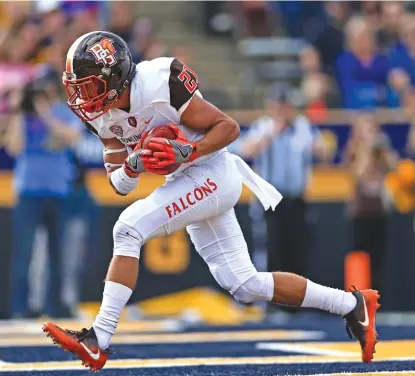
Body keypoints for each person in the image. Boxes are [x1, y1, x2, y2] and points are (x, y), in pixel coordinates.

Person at [43, 31, 380, 371]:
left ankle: (98, 338)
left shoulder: (160, 82)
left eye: (88, 86)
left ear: (114, 77)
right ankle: (351, 304)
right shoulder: (98, 113)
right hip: (185, 180)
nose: (81, 96)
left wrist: (188, 150)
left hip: (212, 171)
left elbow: (228, 127)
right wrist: (134, 165)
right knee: (245, 284)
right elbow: (119, 182)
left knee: (128, 229)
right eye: (77, 87)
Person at [231, 84, 328, 313]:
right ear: (271, 107)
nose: (283, 110)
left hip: (297, 199)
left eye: (286, 105)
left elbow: (324, 151)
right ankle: (272, 304)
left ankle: (296, 303)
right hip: (271, 199)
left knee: (297, 248)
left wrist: (319, 146)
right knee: (273, 249)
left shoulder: (303, 127)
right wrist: (272, 133)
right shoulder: (264, 126)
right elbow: (246, 150)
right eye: (279, 105)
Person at [4, 71, 82, 318]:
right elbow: (14, 147)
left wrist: (46, 114)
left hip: (58, 190)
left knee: (58, 253)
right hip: (28, 191)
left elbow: (71, 138)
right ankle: (21, 308)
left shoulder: (63, 112)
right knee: (24, 252)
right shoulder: (23, 117)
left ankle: (56, 307)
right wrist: (17, 111)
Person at [342, 113, 398, 291]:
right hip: (360, 212)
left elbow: (393, 166)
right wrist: (366, 147)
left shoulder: (381, 150)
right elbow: (359, 173)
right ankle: (359, 301)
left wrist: (382, 148)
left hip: (379, 210)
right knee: (359, 258)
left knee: (379, 259)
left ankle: (379, 299)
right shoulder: (353, 150)